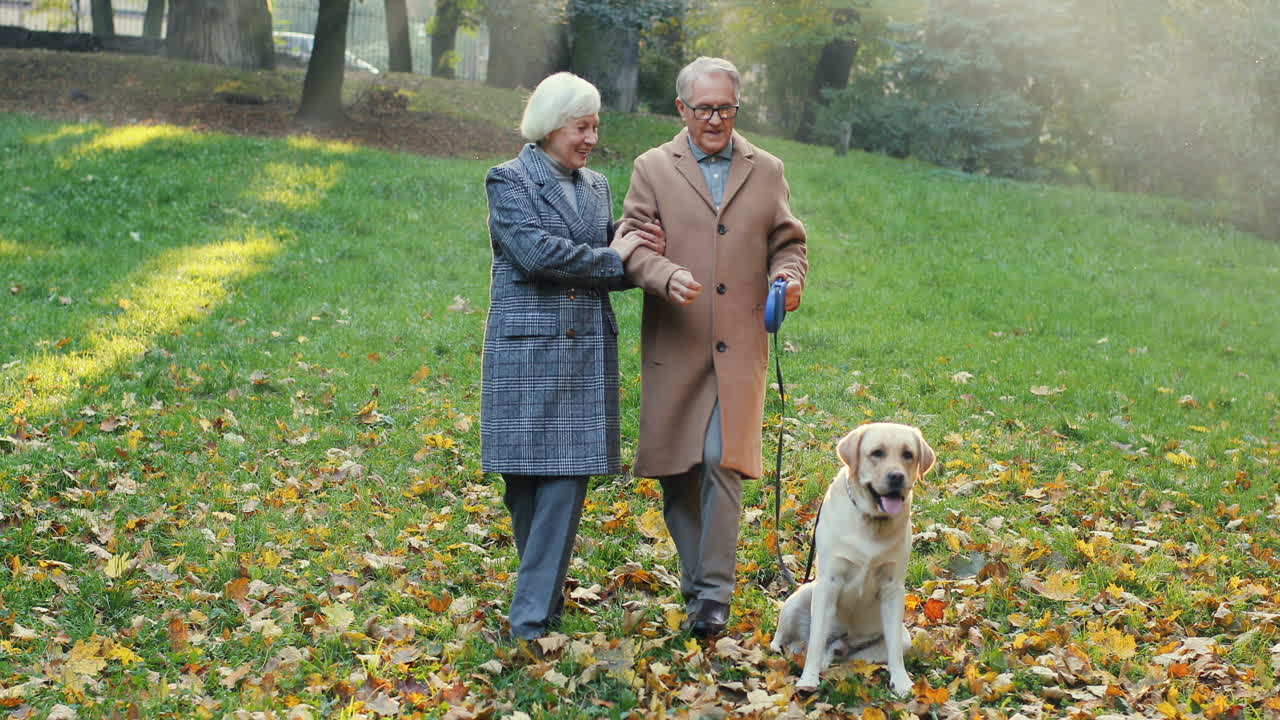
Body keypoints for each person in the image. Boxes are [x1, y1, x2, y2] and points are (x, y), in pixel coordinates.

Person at [621, 56, 808, 636]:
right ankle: (699, 584)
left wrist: (788, 277)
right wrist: (662, 274)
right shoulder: (653, 168)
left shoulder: (767, 169)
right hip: (676, 343)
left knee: (721, 459)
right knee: (677, 469)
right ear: (682, 108)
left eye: (726, 108)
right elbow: (630, 243)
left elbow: (788, 242)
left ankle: (713, 600)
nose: (715, 120)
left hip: (741, 344)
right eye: (704, 109)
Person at [482, 72, 664, 641]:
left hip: (583, 350)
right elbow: (535, 253)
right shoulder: (508, 180)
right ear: (550, 125)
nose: (592, 139)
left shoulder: (597, 186)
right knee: (524, 487)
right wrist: (615, 255)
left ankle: (528, 623)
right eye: (581, 127)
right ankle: (547, 602)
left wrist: (637, 251)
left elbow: (606, 260)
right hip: (524, 352)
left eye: (595, 127)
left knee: (564, 483)